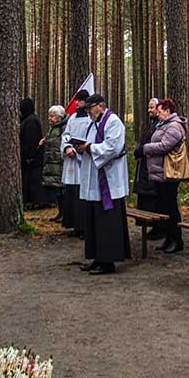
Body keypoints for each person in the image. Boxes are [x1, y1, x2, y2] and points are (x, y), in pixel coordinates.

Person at [74, 93, 131, 275]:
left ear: (100, 106)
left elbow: (113, 147)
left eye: (90, 108)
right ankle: (96, 257)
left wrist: (89, 147)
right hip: (94, 179)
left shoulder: (113, 122)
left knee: (107, 222)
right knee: (93, 220)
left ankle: (108, 261)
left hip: (108, 180)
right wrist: (80, 147)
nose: (89, 112)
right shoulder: (94, 123)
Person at [143, 97, 187, 253]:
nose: (157, 114)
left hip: (168, 174)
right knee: (164, 207)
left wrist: (146, 148)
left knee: (170, 207)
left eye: (160, 111)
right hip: (160, 173)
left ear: (168, 111)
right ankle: (169, 238)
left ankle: (176, 239)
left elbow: (165, 146)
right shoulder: (164, 125)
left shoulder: (174, 126)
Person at [60, 90, 90, 237]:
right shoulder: (72, 118)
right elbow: (66, 135)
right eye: (77, 100)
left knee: (82, 195)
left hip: (83, 159)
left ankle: (84, 227)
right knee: (71, 193)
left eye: (80, 100)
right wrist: (67, 147)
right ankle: (73, 225)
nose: (77, 103)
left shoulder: (91, 119)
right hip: (71, 160)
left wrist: (79, 149)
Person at [133, 98, 163, 235]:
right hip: (145, 166)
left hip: (153, 168)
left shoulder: (160, 126)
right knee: (146, 197)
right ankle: (153, 226)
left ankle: (158, 227)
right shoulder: (152, 124)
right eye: (149, 107)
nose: (149, 110)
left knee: (154, 198)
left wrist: (141, 150)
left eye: (152, 107)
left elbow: (152, 145)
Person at [20, 97, 54, 210]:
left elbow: (31, 140)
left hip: (33, 156)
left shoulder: (30, 121)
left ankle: (38, 201)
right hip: (32, 156)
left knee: (34, 180)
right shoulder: (28, 119)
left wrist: (29, 156)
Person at [40, 105, 67, 220]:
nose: (49, 119)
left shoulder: (63, 128)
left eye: (52, 116)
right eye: (49, 116)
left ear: (59, 117)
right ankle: (60, 213)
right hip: (52, 162)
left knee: (62, 190)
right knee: (57, 190)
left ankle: (65, 213)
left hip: (59, 163)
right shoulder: (53, 128)